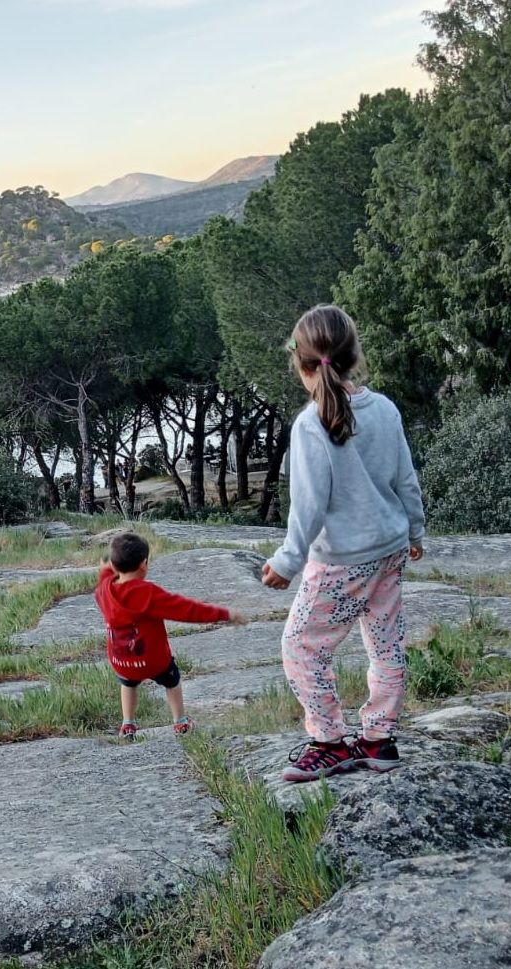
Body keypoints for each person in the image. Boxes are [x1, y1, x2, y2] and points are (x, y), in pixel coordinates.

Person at [261, 304, 425, 783]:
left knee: (301, 646)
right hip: (389, 549)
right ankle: (379, 739)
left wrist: (287, 561)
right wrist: (415, 531)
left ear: (301, 363)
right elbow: (406, 480)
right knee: (386, 643)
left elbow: (308, 506)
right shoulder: (385, 409)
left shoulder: (310, 425)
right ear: (354, 356)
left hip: (340, 562)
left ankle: (329, 742)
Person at [95, 531, 247, 740]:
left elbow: (104, 576)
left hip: (121, 660)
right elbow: (187, 609)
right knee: (171, 681)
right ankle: (180, 723)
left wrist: (106, 568)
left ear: (114, 564)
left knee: (128, 683)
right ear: (144, 564)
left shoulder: (104, 590)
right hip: (154, 661)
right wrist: (224, 614)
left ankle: (128, 724)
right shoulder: (148, 593)